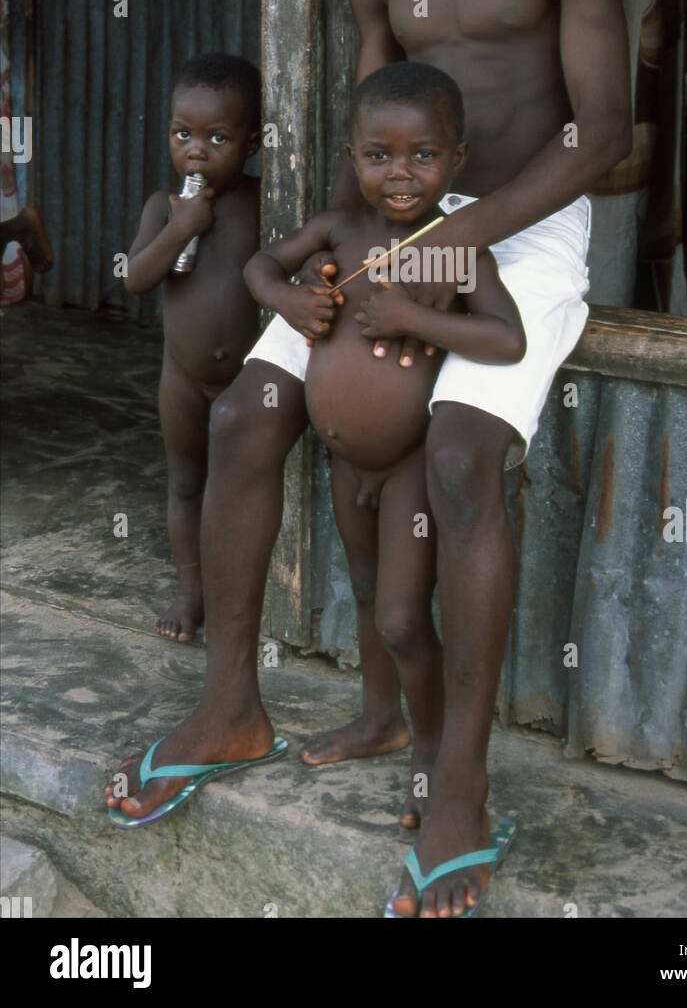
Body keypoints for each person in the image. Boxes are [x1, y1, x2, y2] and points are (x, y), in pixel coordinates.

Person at [105, 0, 631, 919]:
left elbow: (598, 132)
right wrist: (326, 268)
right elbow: (369, 131)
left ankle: (458, 787)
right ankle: (231, 705)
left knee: (458, 456)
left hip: (525, 230)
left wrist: (456, 240)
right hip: (393, 223)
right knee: (247, 408)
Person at [245, 62, 524, 855]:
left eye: (421, 157)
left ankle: (436, 751)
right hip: (344, 462)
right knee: (367, 596)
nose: (399, 175)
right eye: (378, 156)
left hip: (405, 465)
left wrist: (412, 315)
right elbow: (258, 265)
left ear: (456, 159)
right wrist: (287, 300)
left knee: (403, 615)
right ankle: (379, 722)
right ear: (352, 156)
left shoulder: (453, 252)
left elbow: (507, 340)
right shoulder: (339, 230)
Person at [123, 54, 261, 643]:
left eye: (218, 138)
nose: (197, 151)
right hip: (180, 378)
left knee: (237, 490)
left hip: (245, 380)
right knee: (185, 483)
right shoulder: (163, 205)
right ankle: (190, 592)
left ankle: (243, 597)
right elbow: (134, 277)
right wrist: (180, 228)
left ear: (252, 143)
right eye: (184, 134)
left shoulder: (262, 202)